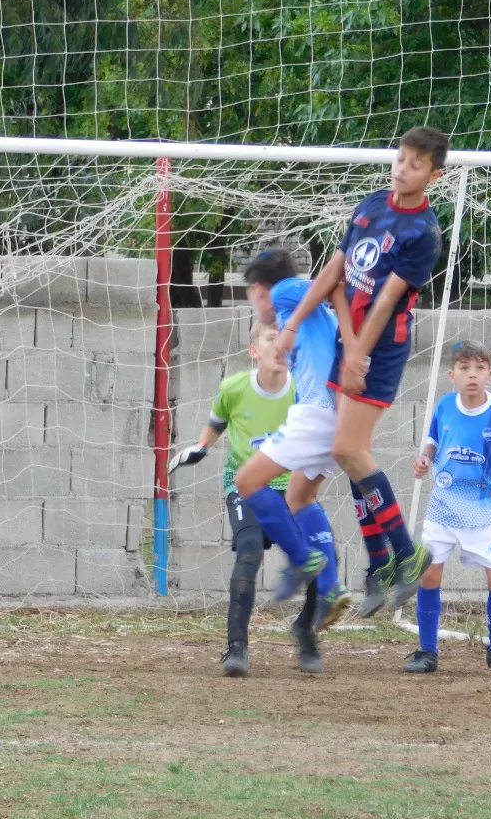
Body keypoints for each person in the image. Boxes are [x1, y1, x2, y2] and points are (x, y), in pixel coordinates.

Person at [276, 126, 450, 617]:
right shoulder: (371, 203)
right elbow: (335, 272)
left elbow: (385, 302)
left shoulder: (424, 233)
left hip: (382, 346)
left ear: (433, 175)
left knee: (347, 449)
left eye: (416, 164)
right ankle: (379, 565)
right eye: (401, 158)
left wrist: (359, 355)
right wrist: (292, 329)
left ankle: (406, 555)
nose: (403, 168)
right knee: (354, 456)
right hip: (347, 339)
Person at [232, 249, 354, 675]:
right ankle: (331, 584)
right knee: (300, 496)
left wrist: (296, 316)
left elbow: (330, 279)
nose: (262, 314)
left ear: (258, 289)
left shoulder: (286, 293)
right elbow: (332, 289)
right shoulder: (305, 307)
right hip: (334, 414)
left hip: (318, 413)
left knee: (247, 481)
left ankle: (304, 560)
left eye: (254, 301)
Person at [170, 320, 296, 677]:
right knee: (250, 550)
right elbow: (217, 422)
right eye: (271, 339)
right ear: (254, 351)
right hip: (246, 486)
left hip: (291, 486)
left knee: (315, 556)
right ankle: (236, 648)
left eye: (286, 339)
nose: (280, 344)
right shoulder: (234, 388)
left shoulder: (301, 390)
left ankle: (306, 633)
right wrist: (201, 446)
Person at [408, 341, 491, 676]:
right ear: (452, 375)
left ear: (489, 374)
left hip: (485, 509)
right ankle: (427, 652)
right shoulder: (445, 406)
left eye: (478, 368)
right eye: (464, 368)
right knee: (429, 574)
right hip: (443, 507)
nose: (471, 374)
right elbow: (432, 441)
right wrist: (424, 459)